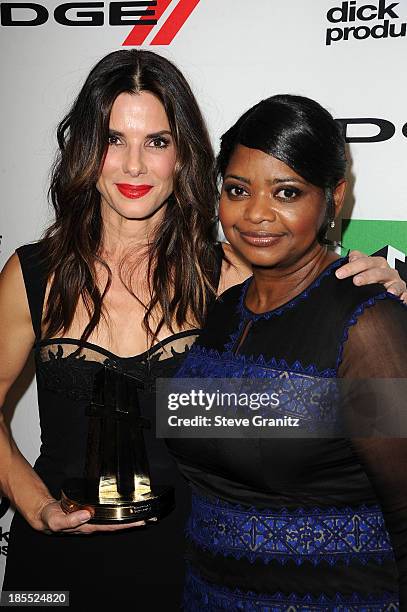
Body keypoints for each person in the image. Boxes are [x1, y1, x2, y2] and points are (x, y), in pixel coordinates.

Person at [0, 49, 404, 610]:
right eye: (114, 140)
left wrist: (388, 286)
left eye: (157, 142)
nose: (134, 166)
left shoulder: (232, 272)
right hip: (50, 570)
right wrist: (34, 504)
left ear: (184, 153)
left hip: (187, 564)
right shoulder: (31, 273)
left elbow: (336, 327)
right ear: (85, 150)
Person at [167, 95, 407, 610]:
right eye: (236, 190)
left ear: (334, 197)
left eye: (286, 192)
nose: (256, 213)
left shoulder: (367, 323)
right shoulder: (223, 309)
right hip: (206, 596)